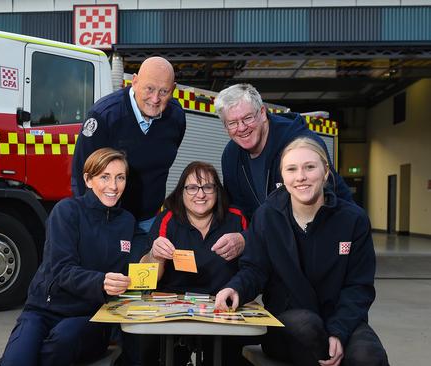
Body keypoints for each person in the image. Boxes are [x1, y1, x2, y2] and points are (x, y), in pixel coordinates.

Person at [214, 137, 389, 366]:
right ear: (283, 177)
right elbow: (255, 269)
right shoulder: (267, 217)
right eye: (292, 169)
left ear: (326, 172)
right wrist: (235, 288)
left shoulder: (353, 220)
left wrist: (338, 331)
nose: (301, 177)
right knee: (307, 326)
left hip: (342, 317)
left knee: (368, 356)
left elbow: (359, 286)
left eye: (310, 167)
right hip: (289, 322)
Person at [0, 148, 134, 366]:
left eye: (120, 178)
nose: (114, 186)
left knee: (62, 342)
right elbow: (61, 269)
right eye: (105, 177)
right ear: (88, 180)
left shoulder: (127, 222)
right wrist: (101, 281)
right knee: (16, 361)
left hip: (90, 315)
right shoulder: (67, 211)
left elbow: (136, 267)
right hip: (43, 310)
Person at [211, 83, 353, 258]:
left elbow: (317, 210)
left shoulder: (300, 144)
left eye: (248, 118)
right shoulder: (230, 156)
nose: (241, 128)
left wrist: (247, 238)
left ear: (262, 113)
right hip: (270, 251)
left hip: (318, 248)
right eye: (232, 123)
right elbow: (238, 210)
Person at [71, 56, 186, 261]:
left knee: (142, 283)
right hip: (108, 220)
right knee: (106, 279)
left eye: (164, 91)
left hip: (149, 220)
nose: (155, 99)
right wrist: (92, 224)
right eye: (149, 89)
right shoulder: (104, 116)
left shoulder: (176, 117)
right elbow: (83, 174)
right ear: (134, 81)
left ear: (174, 89)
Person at [139, 161, 249, 366]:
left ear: (217, 191)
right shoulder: (167, 218)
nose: (200, 194)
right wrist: (155, 255)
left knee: (226, 357)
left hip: (221, 306)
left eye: (207, 187)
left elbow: (253, 267)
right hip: (173, 307)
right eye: (192, 187)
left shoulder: (236, 218)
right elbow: (148, 277)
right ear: (181, 191)